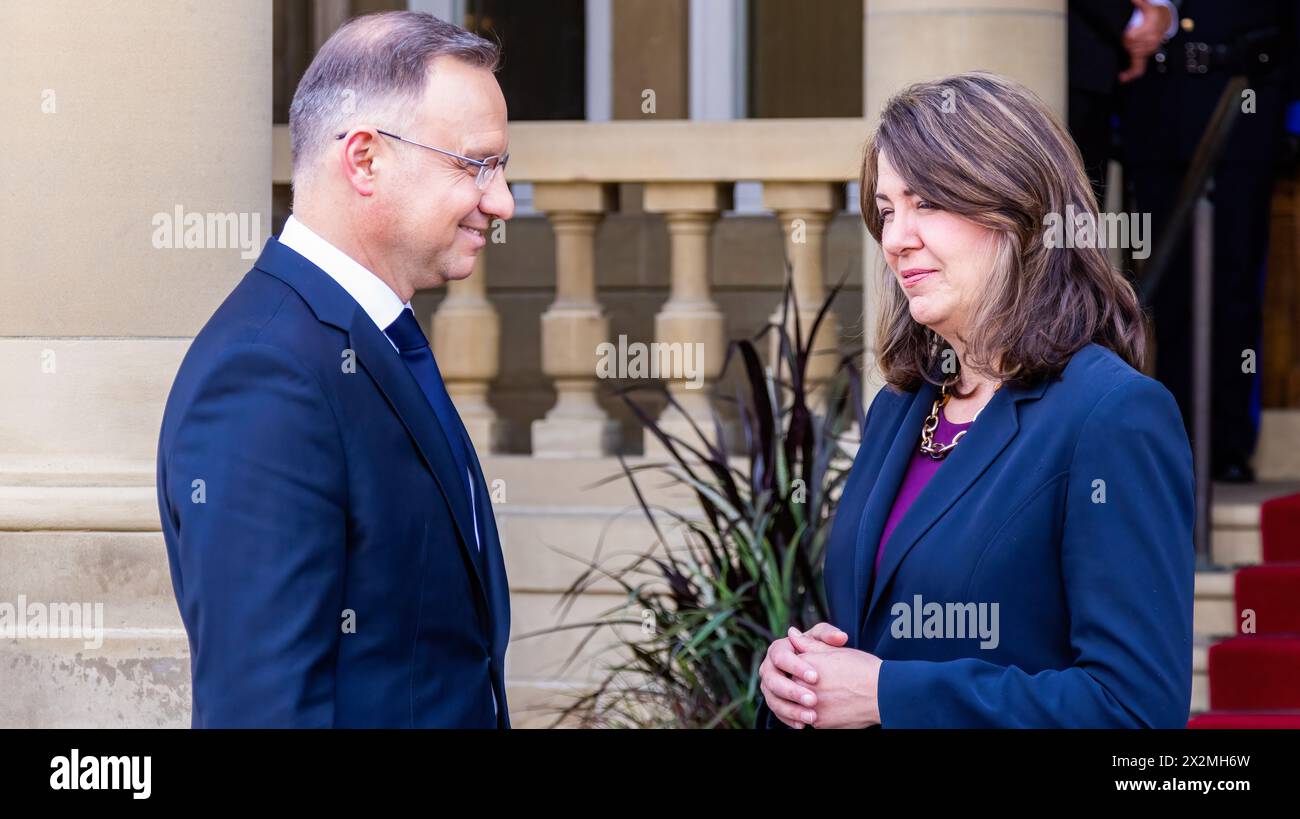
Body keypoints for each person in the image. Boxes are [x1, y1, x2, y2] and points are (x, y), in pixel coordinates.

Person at [756, 72, 1195, 729]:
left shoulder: (1113, 417)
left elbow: (1135, 711)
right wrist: (800, 684)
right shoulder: (899, 411)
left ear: (1019, 212)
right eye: (887, 208)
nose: (896, 236)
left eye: (926, 201)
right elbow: (877, 645)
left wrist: (888, 695)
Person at [156, 11, 515, 727]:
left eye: (502, 169)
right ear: (365, 159)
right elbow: (263, 709)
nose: (501, 202)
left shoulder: (375, 338)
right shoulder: (265, 376)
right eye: (476, 165)